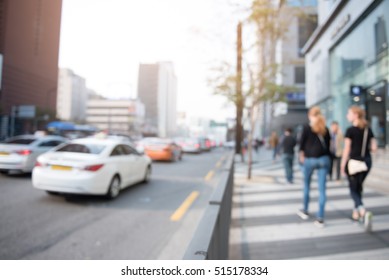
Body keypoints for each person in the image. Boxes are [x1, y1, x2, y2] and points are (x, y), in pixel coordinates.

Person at [340, 106, 377, 223]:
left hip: (354, 163)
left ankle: (362, 210)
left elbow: (346, 149)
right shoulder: (367, 129)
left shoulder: (350, 130)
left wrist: (342, 164)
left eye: (349, 113)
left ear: (355, 115)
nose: (347, 115)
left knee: (353, 188)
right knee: (358, 186)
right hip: (366, 162)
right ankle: (356, 212)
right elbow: (374, 147)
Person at [297, 106, 331, 227]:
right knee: (322, 190)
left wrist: (301, 157)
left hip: (310, 160)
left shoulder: (307, 128)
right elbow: (328, 146)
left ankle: (305, 210)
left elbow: (301, 145)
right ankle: (320, 217)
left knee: (306, 185)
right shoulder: (325, 129)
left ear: (310, 115)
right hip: (323, 159)